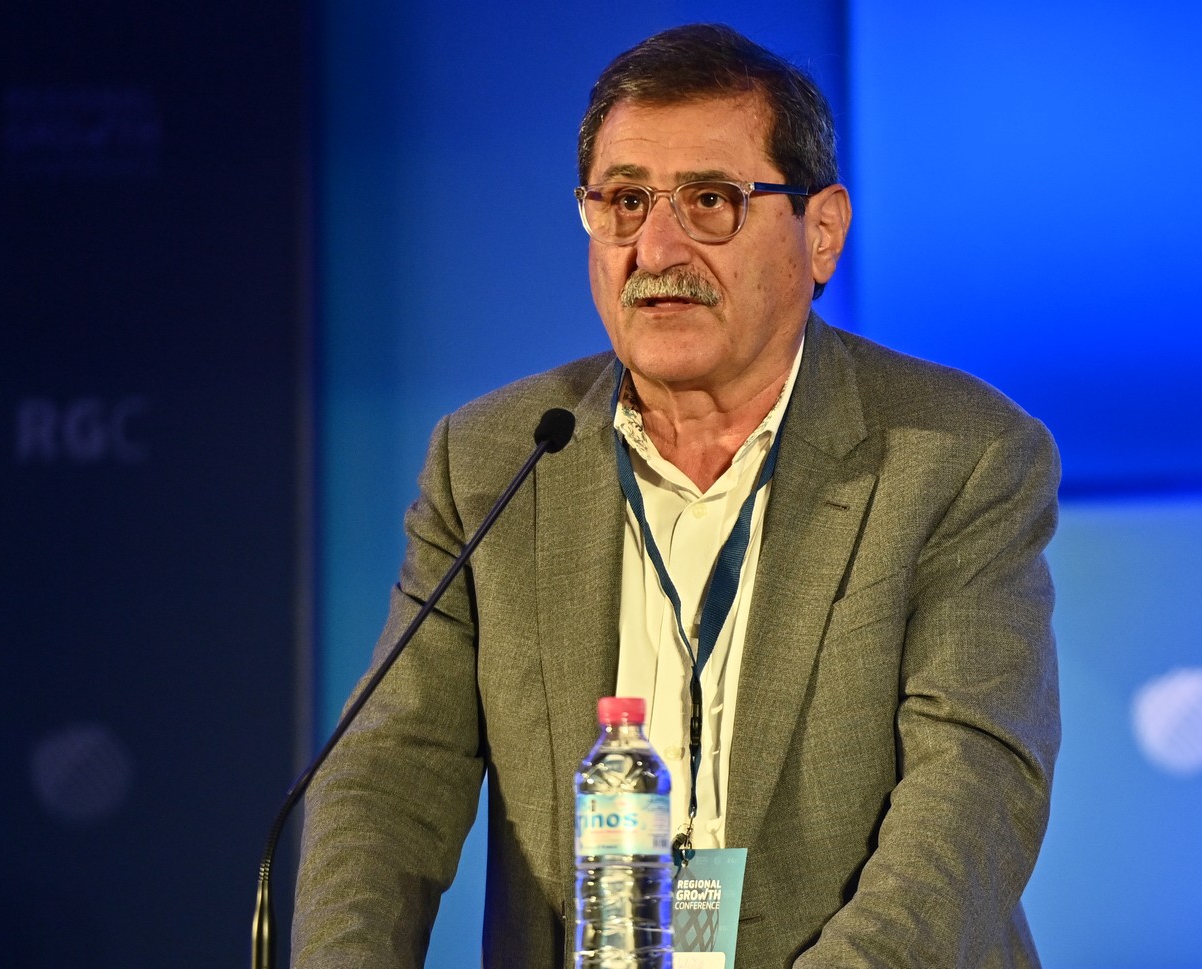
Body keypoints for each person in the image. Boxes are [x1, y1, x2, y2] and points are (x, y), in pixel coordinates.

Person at [293, 23, 1060, 969]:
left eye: (710, 201)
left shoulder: (957, 454)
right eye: (624, 202)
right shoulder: (495, 458)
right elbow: (388, 779)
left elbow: (972, 789)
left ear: (821, 232)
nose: (656, 246)